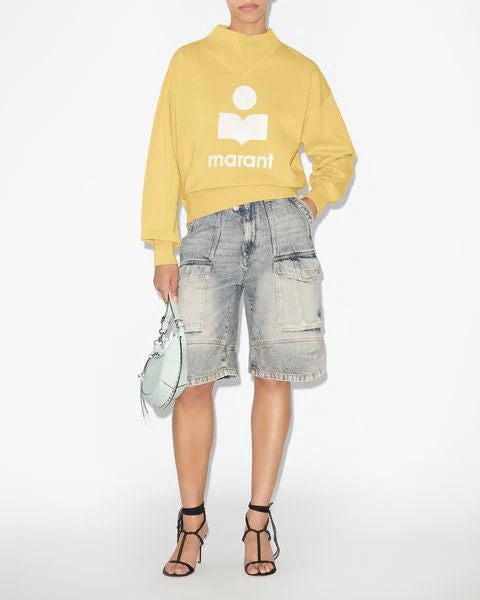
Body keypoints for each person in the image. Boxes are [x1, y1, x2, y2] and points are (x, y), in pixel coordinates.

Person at [141, 0, 356, 578]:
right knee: (193, 382)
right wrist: (163, 247)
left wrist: (308, 205)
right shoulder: (188, 62)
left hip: (280, 226)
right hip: (206, 233)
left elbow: (337, 154)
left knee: (274, 373)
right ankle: (192, 523)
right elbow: (164, 154)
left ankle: (258, 521)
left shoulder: (300, 69)